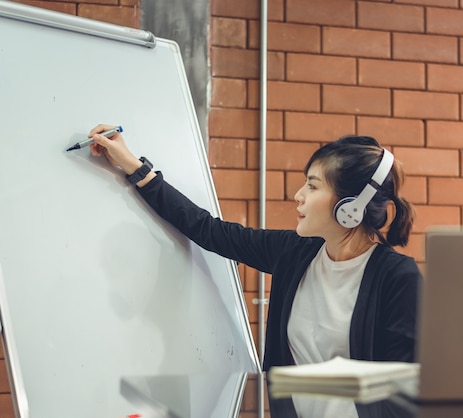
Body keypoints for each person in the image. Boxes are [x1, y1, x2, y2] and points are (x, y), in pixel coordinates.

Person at [88, 124, 422, 372]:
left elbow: (404, 386)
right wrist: (134, 167)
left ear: (350, 206)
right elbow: (207, 229)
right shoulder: (296, 252)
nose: (299, 195)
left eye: (312, 185)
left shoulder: (396, 277)